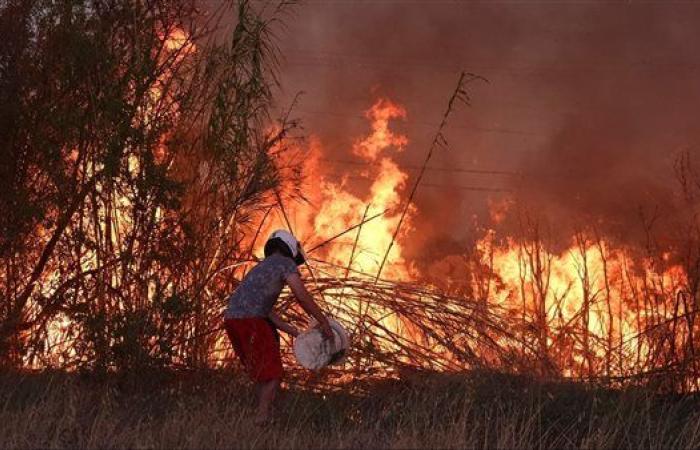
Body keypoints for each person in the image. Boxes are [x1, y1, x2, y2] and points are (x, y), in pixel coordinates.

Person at [224, 229, 334, 425]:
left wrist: (295, 332)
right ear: (291, 248)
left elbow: (264, 310)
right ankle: (262, 419)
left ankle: (264, 414)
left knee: (260, 373)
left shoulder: (261, 267)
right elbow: (301, 296)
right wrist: (323, 322)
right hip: (252, 321)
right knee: (274, 373)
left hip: (232, 320)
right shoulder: (286, 263)